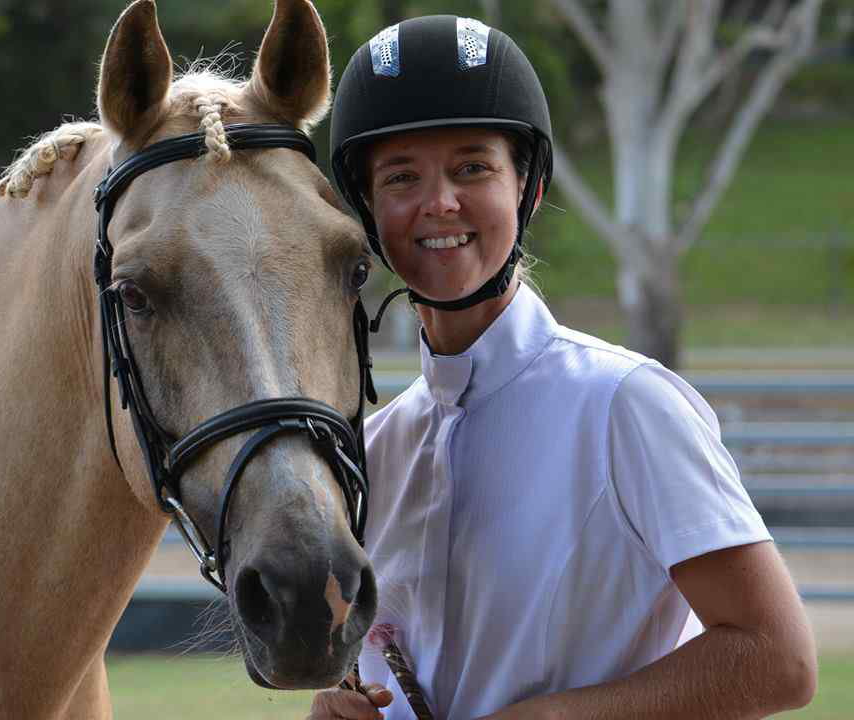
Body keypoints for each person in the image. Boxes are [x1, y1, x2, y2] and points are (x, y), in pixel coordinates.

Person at [310, 15, 816, 720]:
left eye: (472, 168)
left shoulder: (627, 405)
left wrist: (558, 716)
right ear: (368, 208)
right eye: (402, 177)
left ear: (529, 187)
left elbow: (778, 659)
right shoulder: (372, 450)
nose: (440, 202)